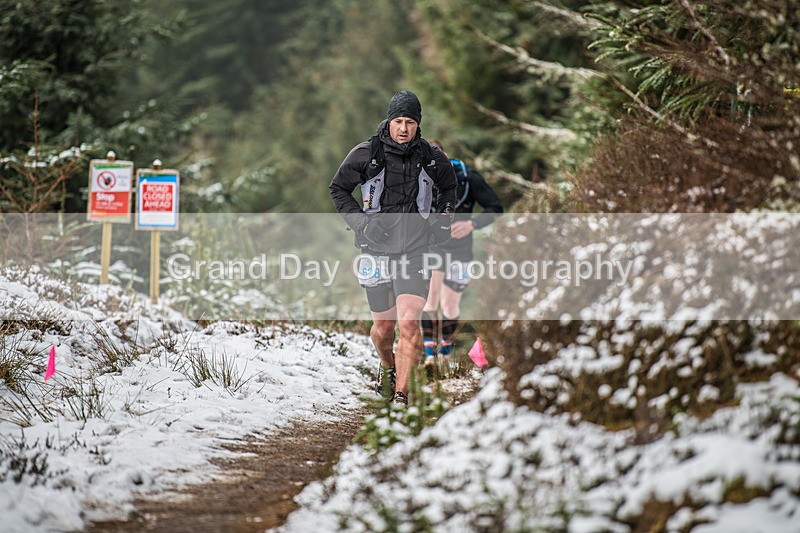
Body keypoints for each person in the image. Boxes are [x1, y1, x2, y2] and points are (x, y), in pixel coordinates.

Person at [330, 90, 457, 405]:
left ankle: (401, 395)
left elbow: (449, 187)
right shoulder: (366, 153)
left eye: (410, 122)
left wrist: (443, 218)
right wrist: (362, 224)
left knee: (409, 323)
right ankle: (387, 367)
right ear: (389, 121)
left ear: (418, 124)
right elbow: (338, 189)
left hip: (416, 250)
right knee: (384, 329)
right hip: (376, 249)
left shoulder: (431, 157)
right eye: (398, 121)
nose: (404, 128)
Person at [421, 140, 503, 374]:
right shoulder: (416, 179)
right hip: (432, 247)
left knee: (450, 304)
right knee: (430, 299)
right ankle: (430, 357)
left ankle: (445, 353)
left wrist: (471, 224)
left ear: (447, 157)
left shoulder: (468, 178)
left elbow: (495, 208)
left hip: (461, 250)